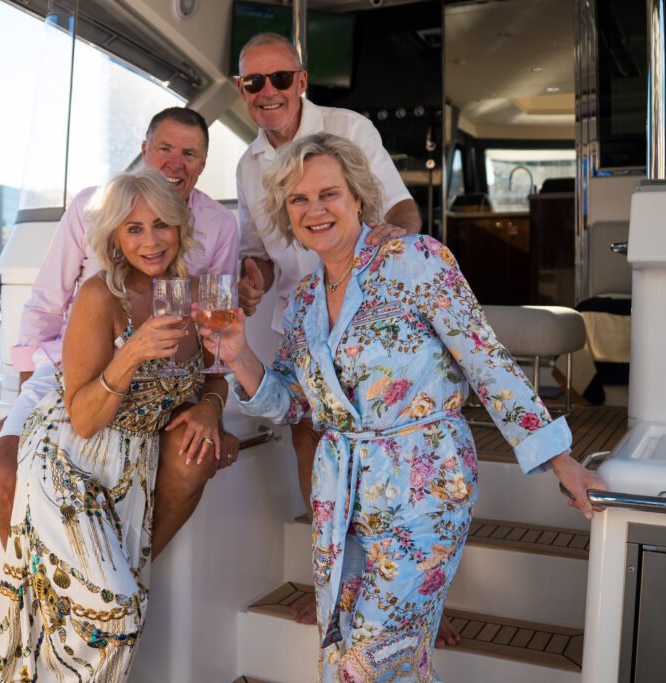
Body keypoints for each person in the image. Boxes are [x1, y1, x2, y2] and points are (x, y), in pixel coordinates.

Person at [199, 133, 604, 681]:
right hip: (340, 501)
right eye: (299, 200)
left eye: (329, 194)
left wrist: (563, 462)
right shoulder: (302, 301)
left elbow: (489, 365)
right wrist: (238, 353)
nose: (315, 209)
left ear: (358, 197)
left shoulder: (417, 260)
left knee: (366, 670)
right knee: (358, 657)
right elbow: (295, 404)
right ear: (285, 212)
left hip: (423, 489)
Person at [233, 30, 438, 632]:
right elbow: (260, 250)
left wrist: (391, 258)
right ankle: (338, 583)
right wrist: (251, 279)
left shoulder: (349, 128)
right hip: (301, 322)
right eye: (253, 82)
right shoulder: (246, 165)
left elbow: (400, 208)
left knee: (392, 454)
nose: (267, 92)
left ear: (300, 80)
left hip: (368, 316)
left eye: (279, 78)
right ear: (242, 91)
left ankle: (416, 595)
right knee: (310, 444)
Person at [0, 168, 221, 681]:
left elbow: (212, 371)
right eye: (134, 228)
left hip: (131, 475)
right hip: (69, 465)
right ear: (114, 236)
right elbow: (84, 417)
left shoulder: (188, 293)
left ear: (180, 227)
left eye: (161, 224)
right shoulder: (101, 295)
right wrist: (132, 352)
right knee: (115, 610)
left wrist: (210, 404)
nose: (150, 240)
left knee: (107, 614)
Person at [0, 107, 240, 559]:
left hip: (162, 381)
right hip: (68, 373)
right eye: (164, 148)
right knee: (0, 476)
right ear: (144, 150)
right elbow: (44, 305)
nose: (175, 163)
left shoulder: (218, 225)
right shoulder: (89, 206)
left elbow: (218, 333)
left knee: (194, 453)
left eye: (190, 153)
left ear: (202, 163)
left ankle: (128, 574)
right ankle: (42, 591)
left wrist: (212, 407)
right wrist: (25, 405)